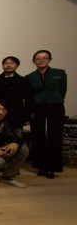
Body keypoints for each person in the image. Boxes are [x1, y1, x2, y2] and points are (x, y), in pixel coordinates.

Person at [26, 50, 67, 179]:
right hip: (37, 107)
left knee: (55, 136)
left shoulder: (59, 73)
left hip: (55, 105)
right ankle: (41, 166)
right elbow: (29, 95)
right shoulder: (29, 77)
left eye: (44, 58)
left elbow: (63, 90)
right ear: (34, 61)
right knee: (38, 136)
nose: (41, 60)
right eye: (38, 58)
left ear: (49, 59)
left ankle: (52, 167)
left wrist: (55, 99)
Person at [0, 56, 33, 137]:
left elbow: (29, 100)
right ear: (2, 66)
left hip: (17, 115)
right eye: (6, 63)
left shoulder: (23, 80)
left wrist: (27, 117)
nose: (9, 65)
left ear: (17, 66)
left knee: (17, 138)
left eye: (12, 63)